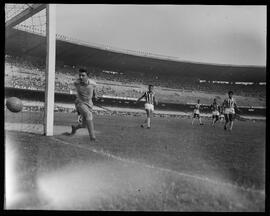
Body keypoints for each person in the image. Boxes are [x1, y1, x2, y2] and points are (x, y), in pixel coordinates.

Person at [69, 68, 97, 141]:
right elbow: (73, 86)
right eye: (80, 75)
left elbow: (94, 88)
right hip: (80, 103)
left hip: (89, 104)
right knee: (89, 115)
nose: (81, 77)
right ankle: (92, 137)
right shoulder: (76, 83)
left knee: (84, 125)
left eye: (83, 75)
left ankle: (74, 128)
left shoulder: (93, 83)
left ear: (87, 76)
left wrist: (95, 95)